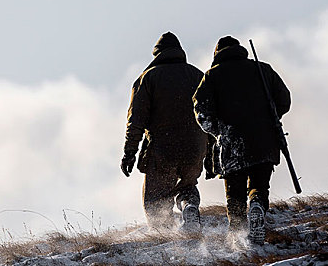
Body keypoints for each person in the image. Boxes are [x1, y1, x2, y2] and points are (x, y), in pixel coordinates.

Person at [192, 36, 291, 245]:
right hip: (265, 140)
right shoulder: (263, 69)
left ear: (217, 53)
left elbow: (201, 112)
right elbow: (284, 100)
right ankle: (256, 206)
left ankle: (237, 235)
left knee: (234, 193)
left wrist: (218, 132)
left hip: (231, 143)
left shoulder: (212, 76)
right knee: (259, 184)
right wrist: (270, 119)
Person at [121, 32, 209, 232]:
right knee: (187, 187)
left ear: (157, 55)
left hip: (162, 150)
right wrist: (211, 155)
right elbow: (210, 118)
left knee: (155, 201)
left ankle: (165, 239)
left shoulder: (147, 78)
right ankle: (189, 207)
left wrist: (129, 153)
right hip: (195, 148)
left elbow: (135, 121)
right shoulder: (198, 76)